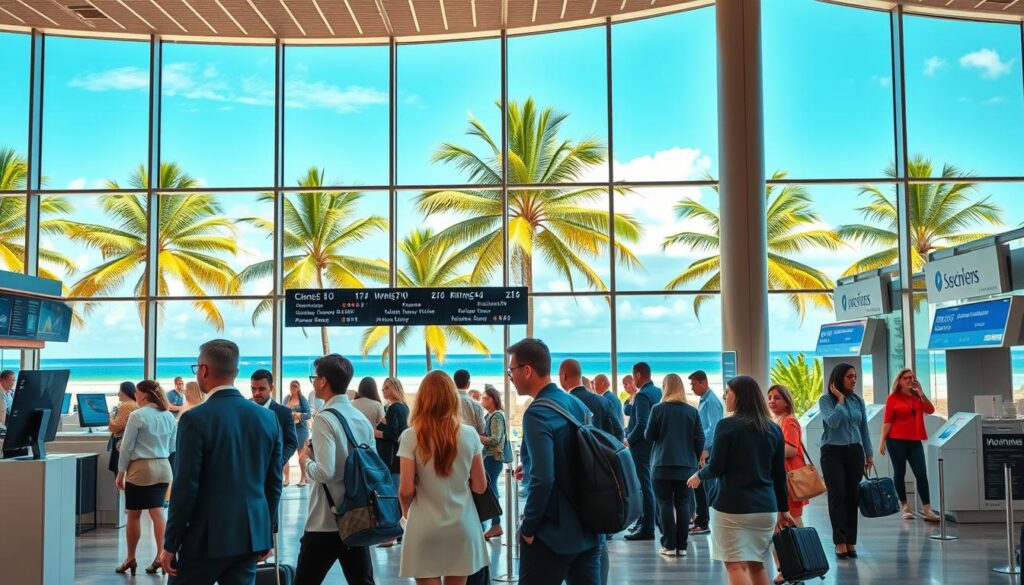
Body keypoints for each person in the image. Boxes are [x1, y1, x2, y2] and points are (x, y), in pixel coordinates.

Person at [160, 339, 283, 583]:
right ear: (235, 373)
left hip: (203, 538)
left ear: (203, 370)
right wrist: (265, 533)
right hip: (250, 535)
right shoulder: (268, 418)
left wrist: (171, 543)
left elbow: (185, 486)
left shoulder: (194, 419)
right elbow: (274, 483)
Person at [510, 338, 602, 585]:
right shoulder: (576, 403)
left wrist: (527, 528)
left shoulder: (537, 412)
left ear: (527, 370)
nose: (510, 376)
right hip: (589, 527)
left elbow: (544, 479)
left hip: (552, 535)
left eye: (512, 370)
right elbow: (576, 456)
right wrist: (529, 466)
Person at [687, 376, 794, 585]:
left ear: (741, 396)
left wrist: (698, 475)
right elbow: (779, 475)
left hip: (732, 507)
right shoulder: (773, 429)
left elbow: (717, 466)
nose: (725, 395)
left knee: (735, 565)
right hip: (766, 509)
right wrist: (784, 510)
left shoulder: (726, 426)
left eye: (729, 391)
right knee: (757, 564)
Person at [399, 370, 489, 584]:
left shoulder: (411, 436)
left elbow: (406, 489)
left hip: (424, 526)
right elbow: (480, 486)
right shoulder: (469, 435)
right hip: (462, 526)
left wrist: (404, 510)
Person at [294, 354, 376, 585]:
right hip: (357, 515)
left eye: (315, 377)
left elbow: (325, 472)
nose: (313, 382)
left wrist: (304, 461)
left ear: (323, 381)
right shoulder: (359, 418)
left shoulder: (325, 419)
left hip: (326, 519)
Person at [115, 380, 178, 576]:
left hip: (141, 468)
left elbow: (127, 447)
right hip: (163, 466)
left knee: (133, 514)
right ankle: (161, 556)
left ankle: (130, 558)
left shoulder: (137, 415)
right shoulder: (168, 415)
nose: (135, 394)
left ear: (143, 394)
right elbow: (173, 446)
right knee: (158, 513)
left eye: (137, 392)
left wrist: (121, 472)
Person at [819, 362, 874, 560]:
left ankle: (851, 541)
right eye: (850, 376)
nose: (854, 380)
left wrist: (869, 453)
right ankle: (840, 542)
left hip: (855, 452)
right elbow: (833, 422)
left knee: (853, 496)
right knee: (838, 496)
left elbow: (864, 428)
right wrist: (840, 401)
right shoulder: (826, 400)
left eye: (855, 376)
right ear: (839, 378)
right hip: (832, 452)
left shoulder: (858, 401)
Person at [645, 374, 703, 558]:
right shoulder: (692, 411)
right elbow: (700, 437)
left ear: (665, 388)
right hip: (686, 466)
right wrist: (693, 456)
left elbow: (648, 435)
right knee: (683, 503)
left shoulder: (658, 409)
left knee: (664, 504)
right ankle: (682, 547)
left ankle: (669, 546)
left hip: (661, 464)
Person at [879, 368, 940, 522]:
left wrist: (921, 393)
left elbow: (930, 410)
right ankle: (905, 505)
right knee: (900, 472)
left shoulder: (917, 397)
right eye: (906, 378)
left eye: (912, 377)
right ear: (899, 381)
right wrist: (882, 441)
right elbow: (887, 421)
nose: (910, 380)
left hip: (915, 440)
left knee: (921, 473)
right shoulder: (893, 398)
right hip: (896, 440)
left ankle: (927, 508)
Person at [766, 384, 808, 584]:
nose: (772, 401)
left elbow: (791, 449)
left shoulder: (788, 421)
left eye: (777, 398)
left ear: (786, 401)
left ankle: (798, 566)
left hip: (789, 482)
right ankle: (787, 568)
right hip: (782, 481)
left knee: (790, 525)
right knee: (780, 527)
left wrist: (765, 451)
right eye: (770, 397)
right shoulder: (777, 421)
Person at [624, 362, 661, 541]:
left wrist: (628, 440)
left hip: (641, 447)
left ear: (638, 375)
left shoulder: (643, 395)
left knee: (644, 486)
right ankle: (645, 521)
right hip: (653, 446)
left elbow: (641, 423)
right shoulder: (657, 392)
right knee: (648, 485)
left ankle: (647, 528)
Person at [376, 376, 410, 548]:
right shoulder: (403, 407)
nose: (383, 391)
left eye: (386, 388)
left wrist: (377, 433)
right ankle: (398, 532)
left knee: (393, 495)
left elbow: (393, 433)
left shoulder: (394, 408)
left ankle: (395, 532)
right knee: (396, 493)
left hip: (391, 457)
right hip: (397, 456)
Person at [690, 369, 724, 536]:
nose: (692, 388)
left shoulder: (711, 401)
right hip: (705, 449)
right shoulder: (705, 400)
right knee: (700, 486)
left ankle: (703, 522)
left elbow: (713, 429)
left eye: (694, 384)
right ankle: (700, 520)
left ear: (703, 382)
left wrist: (703, 449)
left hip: (708, 451)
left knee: (702, 487)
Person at [558, 359, 623, 441]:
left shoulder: (561, 404)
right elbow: (618, 432)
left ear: (563, 376)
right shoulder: (604, 401)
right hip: (602, 452)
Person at [479, 383, 513, 540]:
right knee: (491, 488)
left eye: (485, 398)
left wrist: (477, 437)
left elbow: (495, 438)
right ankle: (494, 523)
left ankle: (496, 523)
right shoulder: (492, 415)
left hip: (493, 457)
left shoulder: (496, 416)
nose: (482, 402)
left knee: (491, 490)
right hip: (491, 457)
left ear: (493, 399)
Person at [250, 369, 299, 476]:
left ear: (271, 388)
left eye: (261, 389)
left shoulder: (283, 413)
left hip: (272, 476)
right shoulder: (244, 408)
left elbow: (292, 442)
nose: (256, 393)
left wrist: (278, 462)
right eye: (253, 389)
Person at [108, 381, 139, 476]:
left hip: (120, 442)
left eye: (120, 391)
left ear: (125, 392)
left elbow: (117, 427)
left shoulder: (126, 405)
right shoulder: (135, 404)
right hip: (129, 443)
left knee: (119, 474)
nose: (118, 394)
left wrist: (109, 417)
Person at [286, 378, 312, 487]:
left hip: (301, 429)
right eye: (292, 386)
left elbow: (308, 414)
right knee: (286, 454)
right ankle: (286, 478)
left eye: (295, 386)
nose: (293, 388)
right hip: (290, 428)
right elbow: (283, 410)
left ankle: (303, 477)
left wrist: (298, 414)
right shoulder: (287, 398)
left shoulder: (303, 400)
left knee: (301, 454)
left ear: (299, 388)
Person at [453, 369, 486, 433]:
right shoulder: (476, 405)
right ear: (468, 384)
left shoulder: (446, 402)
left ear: (454, 383)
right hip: (472, 441)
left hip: (451, 441)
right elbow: (482, 429)